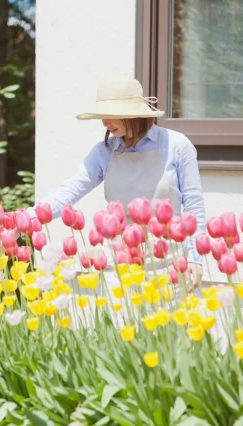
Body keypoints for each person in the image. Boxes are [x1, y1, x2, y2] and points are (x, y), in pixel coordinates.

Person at [36, 75, 205, 291]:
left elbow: (193, 205)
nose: (104, 123)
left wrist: (195, 257)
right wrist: (29, 218)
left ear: (132, 115)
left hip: (168, 265)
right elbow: (70, 190)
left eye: (111, 116)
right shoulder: (104, 152)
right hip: (120, 265)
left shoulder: (178, 146)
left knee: (166, 326)